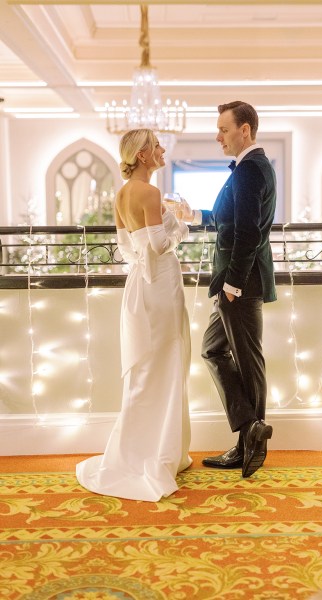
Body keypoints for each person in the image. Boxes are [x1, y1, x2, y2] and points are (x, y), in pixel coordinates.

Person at [76, 129, 192, 501]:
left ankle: (142, 449)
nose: (162, 150)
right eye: (156, 146)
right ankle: (158, 452)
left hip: (139, 284)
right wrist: (182, 227)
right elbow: (159, 245)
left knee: (147, 367)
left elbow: (127, 248)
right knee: (166, 361)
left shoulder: (122, 194)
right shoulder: (151, 193)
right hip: (160, 283)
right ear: (142, 155)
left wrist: (163, 227)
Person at [183, 101, 276, 478]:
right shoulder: (251, 168)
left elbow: (249, 232)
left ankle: (250, 442)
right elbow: (232, 220)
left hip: (240, 282)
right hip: (237, 280)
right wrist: (195, 216)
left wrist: (234, 284)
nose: (217, 136)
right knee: (214, 349)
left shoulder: (249, 170)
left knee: (247, 358)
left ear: (245, 130)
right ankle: (250, 431)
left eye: (223, 129)